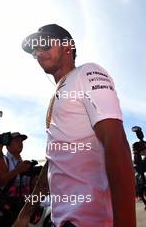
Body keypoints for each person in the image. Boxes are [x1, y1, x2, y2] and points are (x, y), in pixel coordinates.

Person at [19, 24, 136, 227]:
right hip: (59, 220)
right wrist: (24, 214)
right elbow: (53, 163)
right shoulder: (59, 93)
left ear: (68, 47)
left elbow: (115, 143)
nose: (38, 52)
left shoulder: (86, 72)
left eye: (44, 43)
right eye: (34, 50)